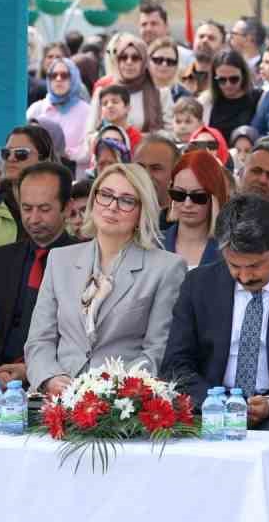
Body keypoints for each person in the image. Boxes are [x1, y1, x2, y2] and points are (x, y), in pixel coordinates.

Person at [162, 193, 269, 462]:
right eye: (234, 265)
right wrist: (216, 404)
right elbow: (175, 365)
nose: (244, 277)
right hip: (210, 406)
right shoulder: (198, 285)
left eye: (255, 265)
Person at [23, 164, 186, 395]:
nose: (112, 206)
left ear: (142, 210)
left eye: (127, 200)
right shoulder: (59, 260)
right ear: (93, 200)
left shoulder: (166, 268)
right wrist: (50, 377)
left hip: (123, 403)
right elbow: (40, 340)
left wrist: (107, 391)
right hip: (57, 398)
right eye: (106, 195)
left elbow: (156, 351)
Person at [0, 163, 79, 396]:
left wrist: (31, 370)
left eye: (44, 209)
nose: (33, 218)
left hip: (59, 383)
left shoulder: (86, 259)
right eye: (26, 208)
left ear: (67, 207)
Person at [162, 149, 227, 269]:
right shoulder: (152, 244)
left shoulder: (230, 251)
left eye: (198, 196)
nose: (187, 204)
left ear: (215, 197)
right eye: (179, 194)